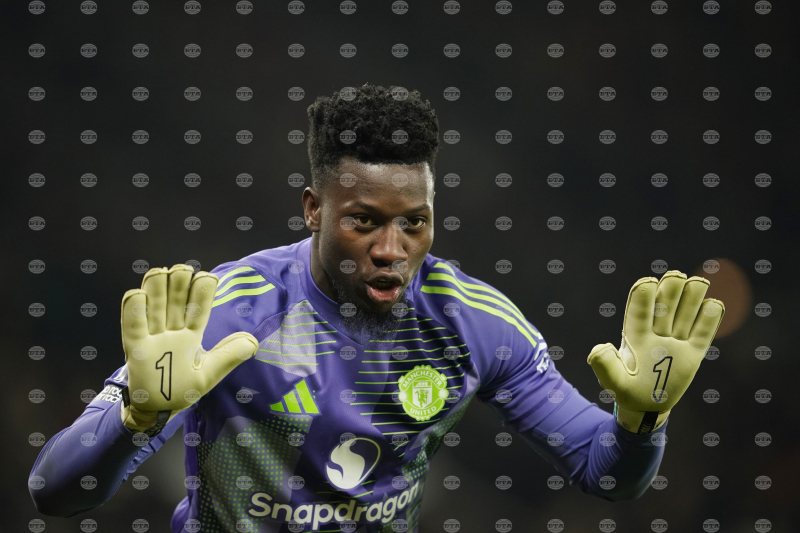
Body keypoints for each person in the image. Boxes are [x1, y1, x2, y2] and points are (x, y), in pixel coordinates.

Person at [29, 83, 724, 533]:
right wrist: (137, 416)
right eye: (364, 221)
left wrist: (643, 422)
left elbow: (608, 477)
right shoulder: (227, 312)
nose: (393, 250)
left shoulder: (475, 324)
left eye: (414, 222)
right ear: (314, 210)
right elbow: (54, 492)